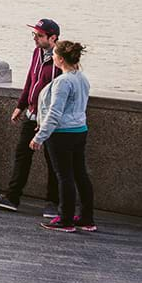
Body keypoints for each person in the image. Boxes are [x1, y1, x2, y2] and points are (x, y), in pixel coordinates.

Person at [0, 18, 61, 214]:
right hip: (32, 114)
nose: (35, 38)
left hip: (51, 119)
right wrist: (21, 105)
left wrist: (47, 120)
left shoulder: (61, 59)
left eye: (40, 35)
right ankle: (12, 197)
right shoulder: (37, 52)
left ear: (53, 38)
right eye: (34, 34)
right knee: (22, 155)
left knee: (53, 161)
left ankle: (53, 203)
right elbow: (31, 80)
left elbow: (60, 94)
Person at [33, 39, 95, 233]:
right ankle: (86, 218)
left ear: (59, 59)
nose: (52, 57)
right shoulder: (82, 78)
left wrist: (39, 137)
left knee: (64, 177)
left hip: (61, 134)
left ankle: (65, 220)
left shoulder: (62, 82)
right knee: (80, 174)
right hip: (79, 130)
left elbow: (54, 113)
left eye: (54, 55)